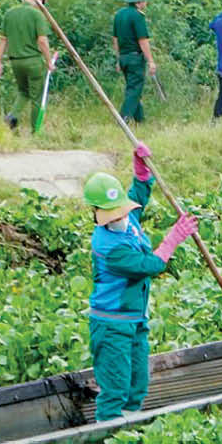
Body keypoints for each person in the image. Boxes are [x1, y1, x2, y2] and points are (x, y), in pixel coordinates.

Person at [83, 144, 199, 420]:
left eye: (123, 211)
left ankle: (130, 428)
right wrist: (174, 238)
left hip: (136, 320)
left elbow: (139, 193)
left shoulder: (129, 220)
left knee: (137, 386)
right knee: (115, 388)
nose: (122, 217)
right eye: (116, 214)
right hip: (112, 324)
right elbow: (150, 265)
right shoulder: (108, 246)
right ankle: (107, 436)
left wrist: (141, 168)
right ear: (99, 213)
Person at [0, 0, 55, 131]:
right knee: (37, 98)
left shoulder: (10, 13)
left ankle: (12, 116)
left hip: (15, 61)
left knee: (23, 92)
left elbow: (3, 39)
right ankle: (36, 132)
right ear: (38, 0)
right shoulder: (37, 15)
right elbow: (42, 41)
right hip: (33, 61)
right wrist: (49, 61)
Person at [110, 0, 156, 123]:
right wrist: (151, 61)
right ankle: (123, 120)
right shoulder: (138, 16)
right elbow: (143, 41)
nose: (146, 3)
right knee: (134, 90)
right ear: (137, 3)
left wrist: (118, 59)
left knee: (133, 89)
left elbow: (115, 39)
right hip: (135, 58)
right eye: (144, 1)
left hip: (124, 57)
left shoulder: (119, 15)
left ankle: (140, 121)